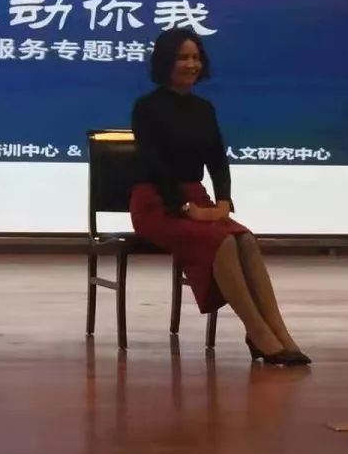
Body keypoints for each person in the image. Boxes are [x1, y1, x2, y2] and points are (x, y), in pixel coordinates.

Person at [130, 29, 310, 366]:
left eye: (195, 57)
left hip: (197, 199)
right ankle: (257, 331)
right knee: (222, 242)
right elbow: (154, 166)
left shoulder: (204, 108)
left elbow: (217, 159)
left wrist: (224, 200)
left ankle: (278, 330)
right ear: (165, 61)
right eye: (182, 57)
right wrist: (184, 207)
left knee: (245, 239)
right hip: (157, 204)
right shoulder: (146, 108)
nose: (191, 64)